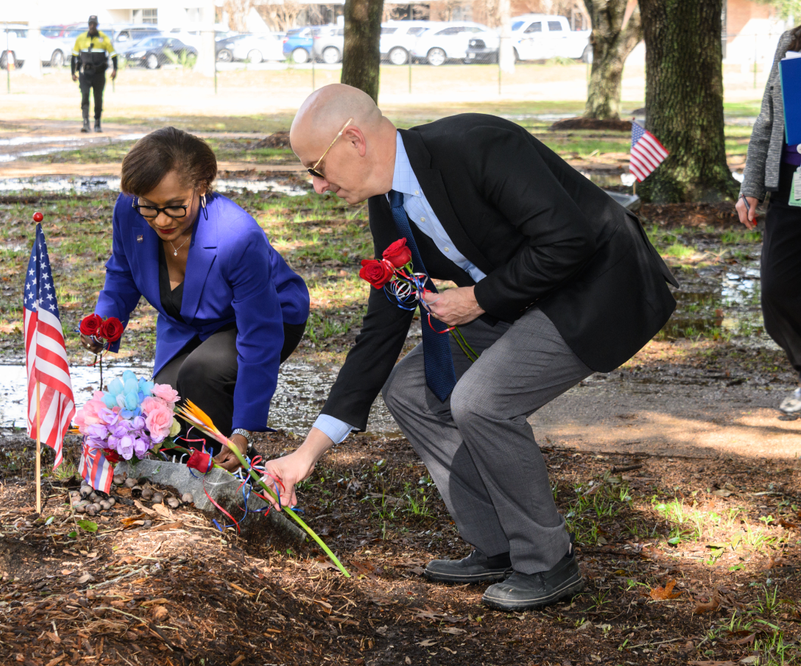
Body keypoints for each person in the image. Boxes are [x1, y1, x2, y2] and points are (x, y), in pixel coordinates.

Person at [265, 84, 677, 612]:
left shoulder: (476, 145)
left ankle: (548, 561)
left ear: (354, 139)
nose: (318, 185)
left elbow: (569, 240)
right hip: (516, 300)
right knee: (411, 389)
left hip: (595, 289)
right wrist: (308, 452)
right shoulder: (386, 205)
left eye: (316, 168)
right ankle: (500, 544)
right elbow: (383, 324)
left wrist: (479, 299)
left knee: (480, 399)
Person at [82, 127, 310, 471]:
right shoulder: (129, 211)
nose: (160, 220)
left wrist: (243, 429)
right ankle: (183, 481)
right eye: (149, 207)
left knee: (202, 375)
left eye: (175, 207)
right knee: (161, 404)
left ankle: (227, 478)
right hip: (189, 321)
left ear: (201, 187)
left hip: (268, 318)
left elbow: (260, 337)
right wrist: (105, 324)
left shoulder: (238, 236)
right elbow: (123, 272)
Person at [736, 26, 801, 416]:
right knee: (777, 290)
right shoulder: (790, 40)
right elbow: (767, 120)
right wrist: (751, 187)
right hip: (790, 188)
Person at [71, 16, 117, 133]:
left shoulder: (104, 38)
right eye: (90, 24)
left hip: (99, 74)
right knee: (85, 97)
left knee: (98, 99)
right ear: (88, 25)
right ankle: (85, 123)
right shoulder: (81, 38)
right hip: (85, 74)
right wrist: (73, 72)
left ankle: (97, 123)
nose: (92, 26)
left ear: (97, 25)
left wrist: (115, 69)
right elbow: (74, 56)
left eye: (94, 24)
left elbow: (113, 55)